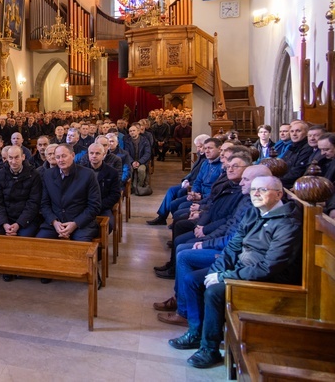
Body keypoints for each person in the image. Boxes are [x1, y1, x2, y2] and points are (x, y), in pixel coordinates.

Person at [169, 176, 303, 369]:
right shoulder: (253, 212)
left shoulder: (288, 224)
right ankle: (196, 332)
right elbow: (232, 247)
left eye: (263, 190)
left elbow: (269, 267)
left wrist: (223, 277)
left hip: (267, 280)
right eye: (254, 190)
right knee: (192, 279)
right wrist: (216, 271)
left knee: (214, 291)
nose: (256, 194)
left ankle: (210, 349)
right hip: (241, 268)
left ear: (279, 194)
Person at [37, 144, 102, 254]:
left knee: (80, 251)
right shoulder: (48, 174)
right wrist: (54, 222)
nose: (60, 160)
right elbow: (44, 204)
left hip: (81, 223)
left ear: (72, 155)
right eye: (57, 157)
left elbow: (94, 206)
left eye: (64, 156)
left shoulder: (88, 175)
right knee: (39, 246)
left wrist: (75, 224)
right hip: (55, 223)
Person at [0, 145, 43, 280]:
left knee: (24, 237)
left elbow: (33, 203)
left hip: (26, 218)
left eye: (17, 157)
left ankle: (20, 267)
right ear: (6, 159)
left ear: (23, 157)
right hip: (6, 217)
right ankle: (5, 266)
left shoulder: (34, 175)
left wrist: (19, 224)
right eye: (10, 158)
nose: (14, 161)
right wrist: (4, 223)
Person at [84, 143, 121, 233]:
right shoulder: (81, 171)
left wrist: (99, 206)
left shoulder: (112, 172)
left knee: (108, 225)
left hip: (102, 207)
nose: (94, 156)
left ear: (104, 155)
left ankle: (100, 246)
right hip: (84, 206)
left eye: (97, 153)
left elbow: (115, 194)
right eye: (91, 153)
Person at [279, 120, 313, 188]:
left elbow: (297, 172)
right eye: (292, 131)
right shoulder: (292, 146)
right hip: (284, 181)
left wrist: (277, 180)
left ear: (306, 133)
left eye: (298, 131)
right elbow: (281, 164)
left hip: (294, 185)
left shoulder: (307, 148)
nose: (294, 134)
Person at [123, 123, 151, 194]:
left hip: (142, 161)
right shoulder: (127, 141)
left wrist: (139, 162)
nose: (132, 132)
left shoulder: (145, 140)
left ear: (138, 131)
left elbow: (147, 153)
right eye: (130, 131)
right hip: (131, 162)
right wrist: (132, 162)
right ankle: (130, 187)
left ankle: (139, 187)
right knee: (129, 170)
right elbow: (126, 153)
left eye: (133, 130)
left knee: (141, 170)